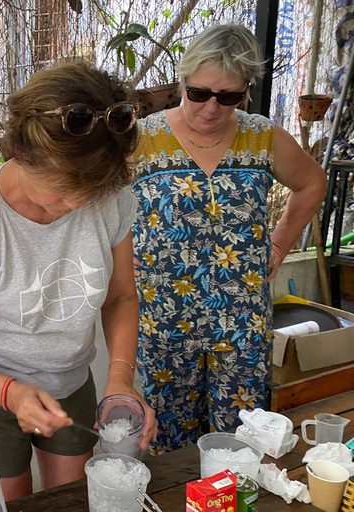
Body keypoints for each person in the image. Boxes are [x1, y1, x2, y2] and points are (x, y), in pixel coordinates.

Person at [0, 62, 157, 501]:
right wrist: (11, 394)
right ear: (21, 153)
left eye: (87, 195)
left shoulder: (107, 195)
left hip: (71, 382)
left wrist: (121, 380)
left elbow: (121, 297)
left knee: (69, 500)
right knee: (9, 503)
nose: (74, 207)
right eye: (59, 195)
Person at [131, 24, 327, 454]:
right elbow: (100, 207)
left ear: (246, 91)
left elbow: (312, 183)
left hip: (240, 317)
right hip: (163, 316)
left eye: (229, 96)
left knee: (243, 432)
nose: (211, 107)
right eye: (199, 93)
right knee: (167, 436)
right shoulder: (142, 140)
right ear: (181, 81)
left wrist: (278, 245)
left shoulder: (261, 137)